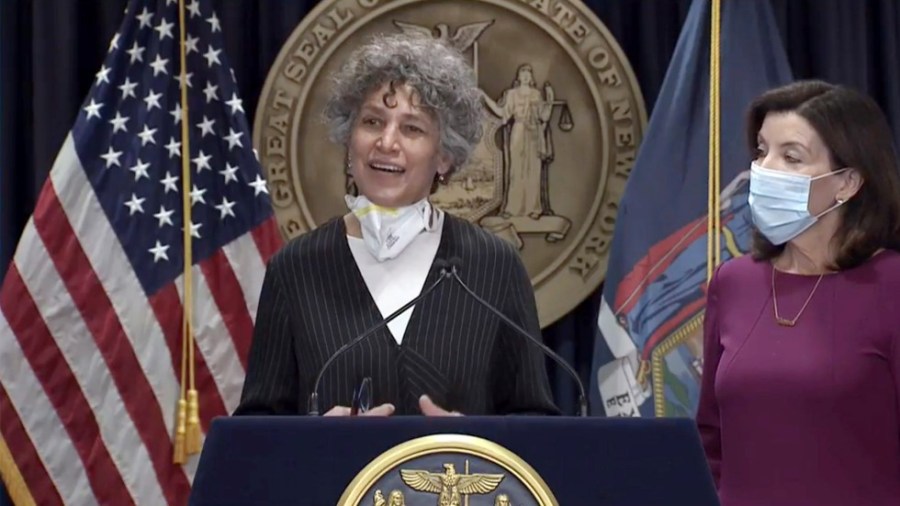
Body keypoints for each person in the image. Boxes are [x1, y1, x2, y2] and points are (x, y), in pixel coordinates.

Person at [234, 33, 558, 417]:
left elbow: (535, 425)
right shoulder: (296, 267)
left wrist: (475, 442)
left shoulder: (493, 266)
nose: (386, 143)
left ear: (444, 157)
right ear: (349, 139)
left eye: (412, 128)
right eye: (373, 121)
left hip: (462, 478)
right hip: (333, 478)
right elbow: (257, 430)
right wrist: (312, 439)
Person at [697, 80, 900, 506]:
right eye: (760, 151)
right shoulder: (733, 282)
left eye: (791, 157)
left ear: (847, 182)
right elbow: (711, 439)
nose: (764, 169)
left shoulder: (890, 285)